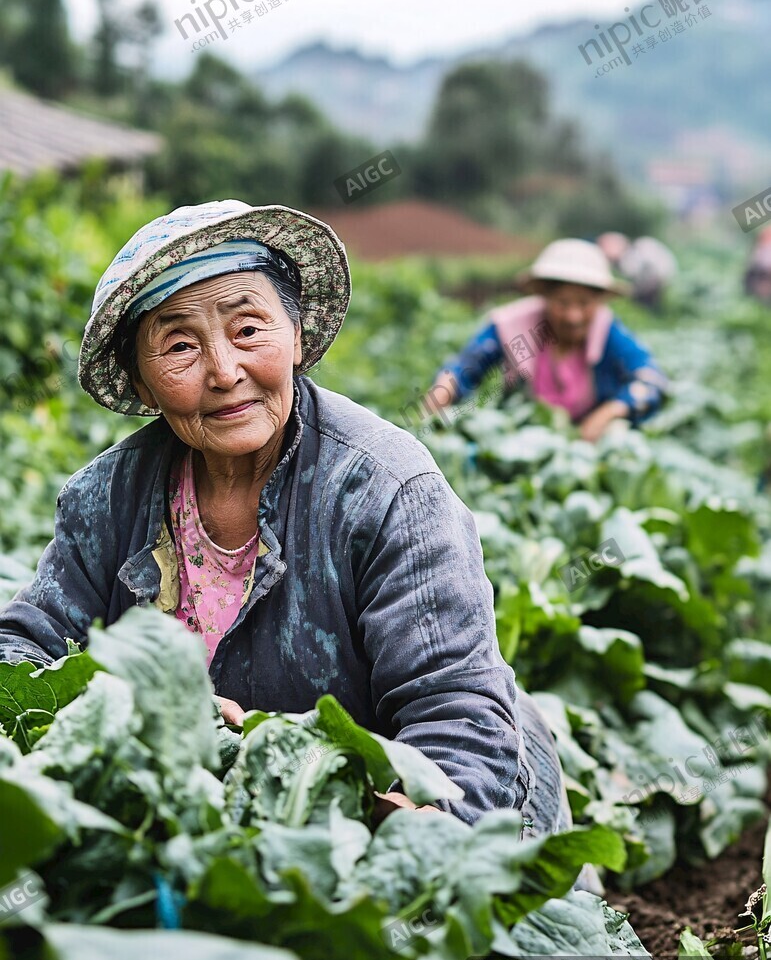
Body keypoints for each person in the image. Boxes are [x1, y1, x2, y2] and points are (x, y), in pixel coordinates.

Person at [0, 200, 580, 847]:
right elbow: (19, 655)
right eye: (180, 345)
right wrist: (130, 707)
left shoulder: (389, 491)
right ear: (141, 382)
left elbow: (458, 724)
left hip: (391, 837)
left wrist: (363, 813)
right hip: (199, 840)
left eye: (248, 329)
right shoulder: (104, 498)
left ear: (297, 336)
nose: (224, 372)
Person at [424, 238, 667, 441]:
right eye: (563, 303)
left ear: (599, 301)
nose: (574, 316)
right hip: (519, 439)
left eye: (584, 303)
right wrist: (443, 391)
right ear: (545, 297)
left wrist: (610, 412)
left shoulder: (608, 332)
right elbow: (468, 365)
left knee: (618, 436)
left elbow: (650, 377)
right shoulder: (514, 325)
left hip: (587, 444)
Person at [598, 232, 678, 312]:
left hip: (657, 283)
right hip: (666, 280)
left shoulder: (631, 256)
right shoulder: (640, 246)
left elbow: (633, 277)